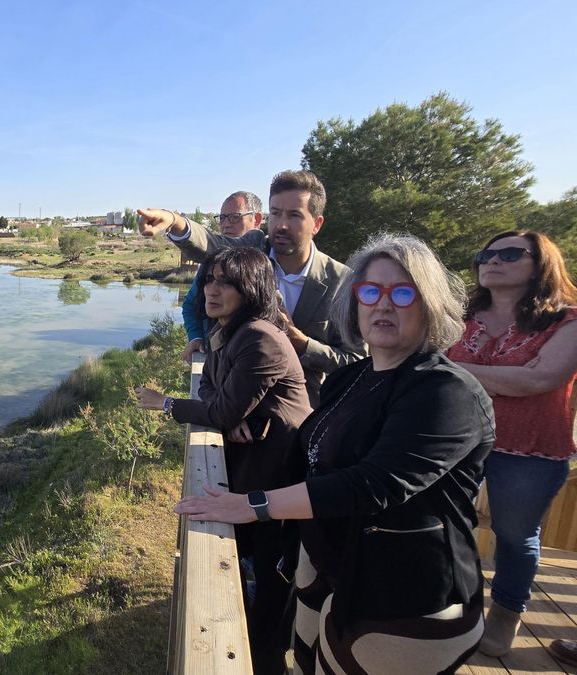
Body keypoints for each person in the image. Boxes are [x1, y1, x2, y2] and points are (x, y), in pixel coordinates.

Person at [175, 233, 495, 674]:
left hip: (401, 596)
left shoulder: (447, 392)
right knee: (303, 662)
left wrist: (252, 506)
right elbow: (309, 453)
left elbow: (371, 485)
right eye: (371, 291)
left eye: (404, 292)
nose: (384, 304)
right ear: (354, 302)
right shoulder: (354, 376)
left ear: (431, 303)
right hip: (326, 569)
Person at [135, 246, 311, 675]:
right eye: (210, 280)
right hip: (255, 468)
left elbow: (217, 406)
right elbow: (213, 392)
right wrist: (229, 413)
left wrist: (167, 404)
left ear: (250, 289)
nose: (211, 290)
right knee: (251, 560)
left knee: (274, 576)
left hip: (281, 477)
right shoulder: (227, 331)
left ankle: (268, 660)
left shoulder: (260, 337)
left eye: (225, 282)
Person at [444, 230, 577, 657]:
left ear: (541, 264)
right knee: (446, 523)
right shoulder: (457, 315)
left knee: (515, 536)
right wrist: (513, 379)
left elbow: (541, 379)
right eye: (487, 253)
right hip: (458, 441)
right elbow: (424, 364)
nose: (493, 260)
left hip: (531, 448)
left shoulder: (567, 321)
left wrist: (455, 370)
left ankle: (504, 618)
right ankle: (451, 605)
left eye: (509, 253)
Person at [138, 170, 363, 405]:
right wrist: (174, 221)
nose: (282, 225)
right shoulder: (253, 250)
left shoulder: (341, 281)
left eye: (294, 215)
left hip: (302, 418)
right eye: (275, 213)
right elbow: (214, 245)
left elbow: (357, 361)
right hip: (233, 411)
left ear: (316, 224)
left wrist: (304, 345)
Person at [180, 191, 265, 363]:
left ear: (256, 219)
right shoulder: (210, 264)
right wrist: (196, 338)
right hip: (214, 359)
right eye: (222, 218)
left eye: (234, 217)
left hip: (251, 359)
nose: (226, 224)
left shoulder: (266, 263)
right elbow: (190, 305)